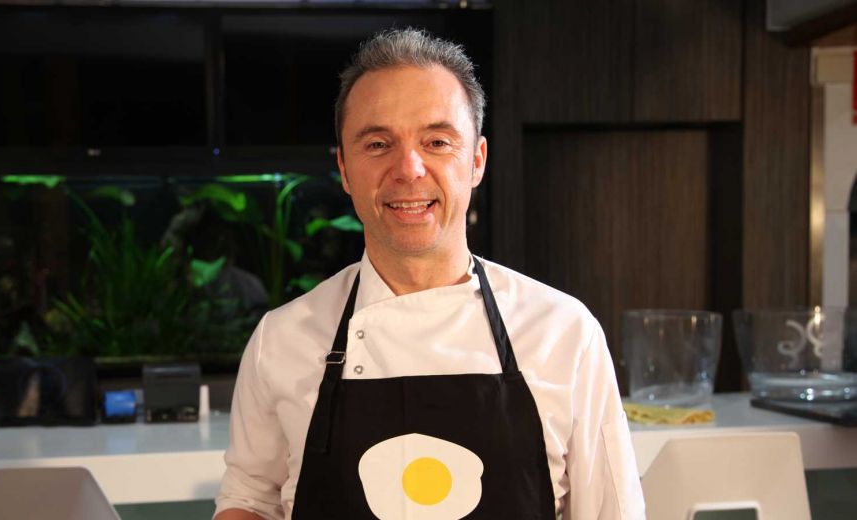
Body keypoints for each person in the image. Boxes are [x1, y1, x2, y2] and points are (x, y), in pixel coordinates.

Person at [215, 28, 645, 520]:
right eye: (378, 144)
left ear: (477, 161)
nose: (409, 168)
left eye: (437, 141)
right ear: (345, 170)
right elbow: (249, 500)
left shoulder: (564, 333)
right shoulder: (281, 339)